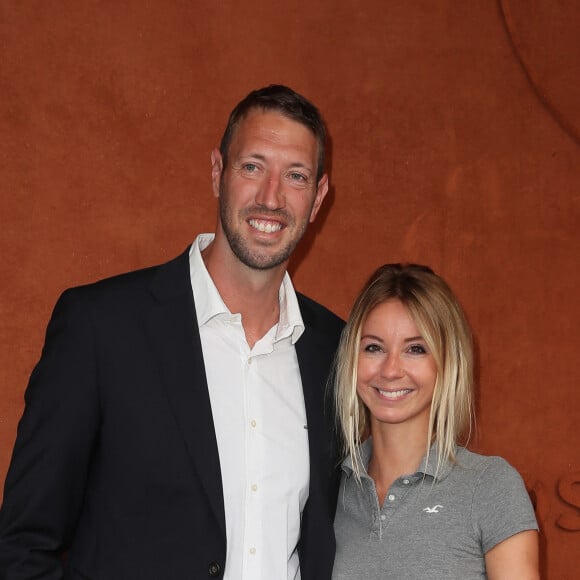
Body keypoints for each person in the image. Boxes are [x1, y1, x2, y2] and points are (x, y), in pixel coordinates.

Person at [0, 85, 344, 580]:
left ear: (318, 198)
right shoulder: (102, 328)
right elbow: (22, 546)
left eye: (295, 176)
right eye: (252, 167)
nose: (271, 197)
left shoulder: (335, 349)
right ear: (216, 173)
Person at [332, 264, 539, 579]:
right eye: (373, 347)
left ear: (447, 362)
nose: (390, 370)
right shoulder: (330, 490)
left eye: (416, 349)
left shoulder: (490, 486)